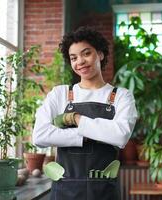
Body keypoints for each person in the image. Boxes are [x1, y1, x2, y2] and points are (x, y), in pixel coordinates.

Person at [33, 26, 138, 200]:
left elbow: (120, 136)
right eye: (73, 58)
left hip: (104, 191)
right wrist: (85, 136)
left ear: (101, 54)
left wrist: (75, 118)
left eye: (86, 53)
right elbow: (40, 136)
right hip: (64, 190)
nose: (80, 61)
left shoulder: (121, 96)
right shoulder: (60, 94)